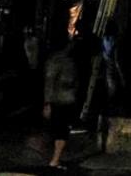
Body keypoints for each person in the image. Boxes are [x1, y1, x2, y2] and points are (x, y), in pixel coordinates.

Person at [43, 36, 79, 170]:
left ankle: (55, 158)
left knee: (58, 129)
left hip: (57, 99)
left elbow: (49, 82)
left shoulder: (53, 60)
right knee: (62, 131)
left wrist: (47, 102)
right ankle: (55, 160)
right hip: (64, 99)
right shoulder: (65, 61)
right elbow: (66, 81)